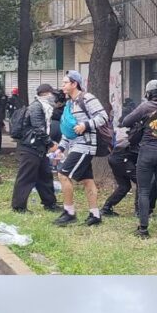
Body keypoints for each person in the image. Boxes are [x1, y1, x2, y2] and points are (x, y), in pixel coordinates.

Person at [121, 80, 157, 238]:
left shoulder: (145, 107)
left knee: (144, 191)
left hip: (147, 152)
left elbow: (126, 122)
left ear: (148, 93)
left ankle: (143, 229)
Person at [52, 70, 108, 227]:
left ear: (74, 84)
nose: (62, 85)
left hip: (85, 146)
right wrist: (61, 149)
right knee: (87, 181)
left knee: (63, 175)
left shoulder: (87, 98)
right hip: (76, 145)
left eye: (65, 82)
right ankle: (95, 215)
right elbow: (68, 130)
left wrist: (85, 125)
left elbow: (103, 117)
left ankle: (69, 212)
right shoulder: (69, 103)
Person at [11, 84, 61, 213]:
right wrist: (51, 144)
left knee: (45, 176)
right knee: (26, 177)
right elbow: (39, 129)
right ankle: (19, 206)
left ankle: (50, 203)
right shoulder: (36, 107)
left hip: (38, 148)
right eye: (51, 94)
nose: (53, 97)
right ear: (45, 94)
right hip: (30, 147)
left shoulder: (44, 107)